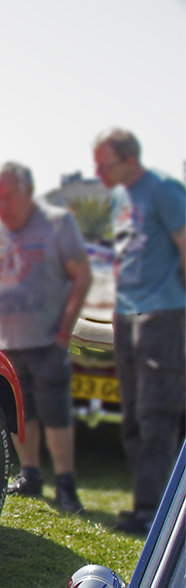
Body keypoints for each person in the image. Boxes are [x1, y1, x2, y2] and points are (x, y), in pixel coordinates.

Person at [0, 162, 92, 514]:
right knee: (19, 415)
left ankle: (66, 487)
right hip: (5, 341)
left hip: (47, 340)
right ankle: (30, 476)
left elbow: (81, 276)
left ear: (27, 192)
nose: (2, 205)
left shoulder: (57, 224)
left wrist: (65, 326)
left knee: (55, 415)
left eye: (9, 196)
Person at [93, 128, 186, 535]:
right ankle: (145, 504)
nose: (98, 172)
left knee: (155, 414)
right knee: (131, 415)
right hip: (127, 315)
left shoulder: (164, 190)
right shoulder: (120, 198)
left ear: (130, 161)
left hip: (161, 316)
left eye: (105, 164)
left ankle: (156, 513)